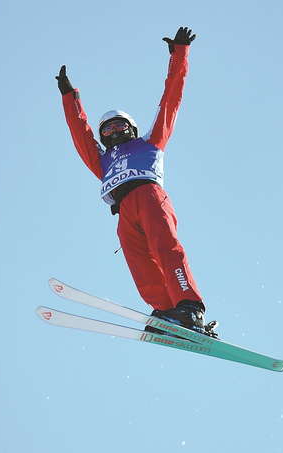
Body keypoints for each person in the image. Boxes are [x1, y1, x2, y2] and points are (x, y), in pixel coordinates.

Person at [56, 26, 217, 337]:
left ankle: (189, 308)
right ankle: (168, 313)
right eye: (106, 130)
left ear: (131, 128)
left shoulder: (150, 142)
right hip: (124, 210)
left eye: (118, 126)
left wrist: (179, 55)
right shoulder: (102, 162)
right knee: (140, 264)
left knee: (166, 248)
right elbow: (80, 134)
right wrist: (69, 97)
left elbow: (171, 99)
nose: (113, 132)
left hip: (149, 196)